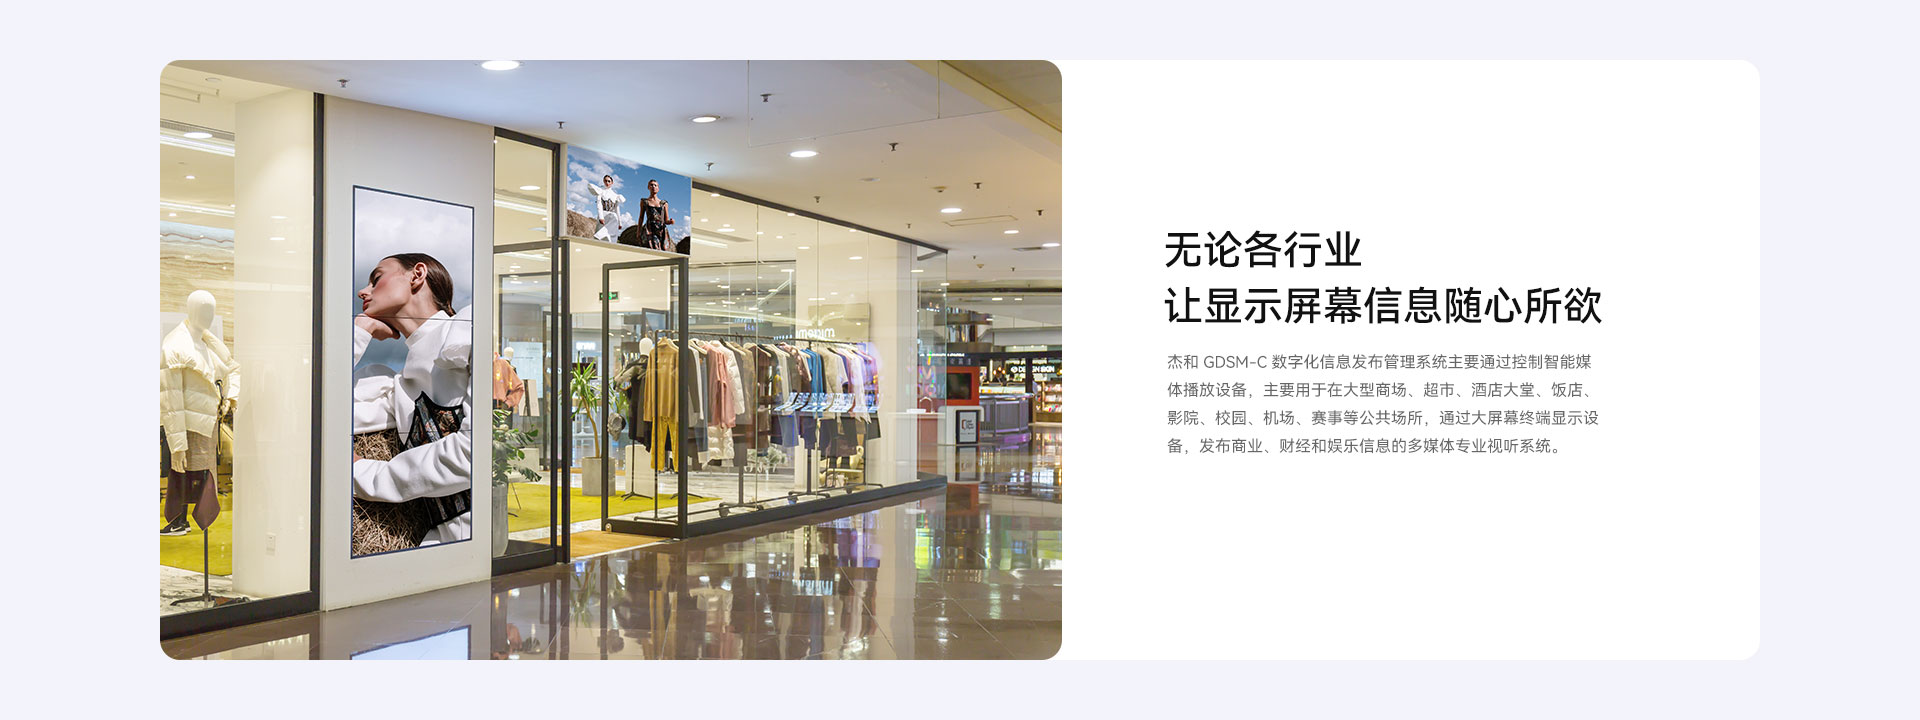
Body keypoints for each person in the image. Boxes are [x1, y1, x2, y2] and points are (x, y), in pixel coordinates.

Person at [352, 252, 473, 548]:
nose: (363, 291)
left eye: (376, 279)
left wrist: (366, 474)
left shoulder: (467, 331)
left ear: (417, 275)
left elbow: (473, 455)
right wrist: (361, 330)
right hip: (438, 545)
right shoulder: (400, 386)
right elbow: (314, 405)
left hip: (480, 544)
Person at [585, 173, 624, 242]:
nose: (607, 183)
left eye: (609, 181)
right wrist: (601, 217)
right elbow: (599, 205)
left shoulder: (615, 195)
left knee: (611, 238)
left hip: (613, 218)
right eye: (605, 181)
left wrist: (620, 222)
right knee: (600, 236)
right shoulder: (600, 191)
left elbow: (617, 210)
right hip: (603, 215)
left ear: (612, 183)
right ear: (603, 181)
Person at [638, 179, 674, 251]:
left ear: (658, 188)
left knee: (663, 250)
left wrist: (670, 222)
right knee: (652, 248)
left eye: (655, 185)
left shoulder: (664, 203)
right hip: (649, 229)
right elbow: (641, 217)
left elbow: (666, 220)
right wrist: (638, 231)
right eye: (651, 185)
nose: (653, 187)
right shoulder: (644, 202)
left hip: (661, 230)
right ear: (648, 187)